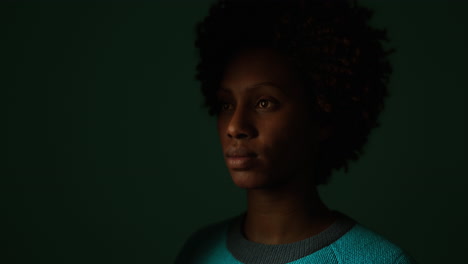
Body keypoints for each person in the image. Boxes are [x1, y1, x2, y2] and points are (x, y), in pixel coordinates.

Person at [176, 0, 415, 263]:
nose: (235, 126)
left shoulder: (379, 260)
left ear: (322, 116)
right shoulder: (197, 252)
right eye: (226, 104)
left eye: (264, 103)